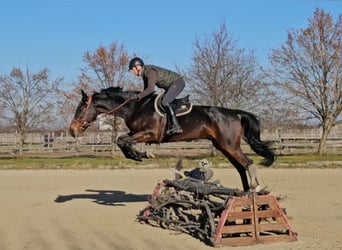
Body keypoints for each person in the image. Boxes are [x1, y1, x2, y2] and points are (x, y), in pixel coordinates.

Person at [128, 57, 184, 136]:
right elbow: (146, 91)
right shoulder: (145, 75)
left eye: (133, 69)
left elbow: (150, 89)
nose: (133, 72)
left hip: (178, 83)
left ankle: (176, 126)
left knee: (165, 102)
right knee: (161, 101)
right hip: (171, 86)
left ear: (138, 67)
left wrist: (138, 96)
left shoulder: (150, 72)